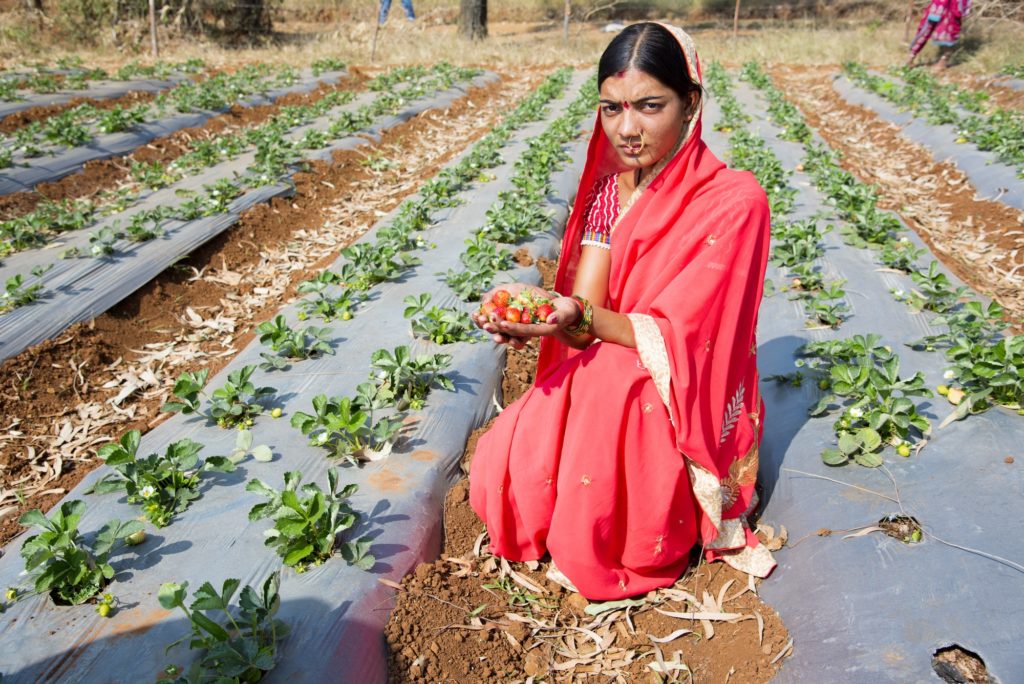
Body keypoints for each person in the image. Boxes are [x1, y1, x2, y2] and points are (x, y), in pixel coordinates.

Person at [469, 22, 776, 601]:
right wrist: (538, 315)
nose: (627, 128)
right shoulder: (612, 193)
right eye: (611, 109)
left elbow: (686, 339)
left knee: (613, 386)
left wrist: (576, 319)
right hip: (612, 352)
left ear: (691, 103)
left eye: (648, 106)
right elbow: (587, 317)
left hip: (682, 384)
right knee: (506, 454)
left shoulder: (737, 201)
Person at [907, 0, 972, 69]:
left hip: (952, 8)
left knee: (947, 36)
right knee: (925, 31)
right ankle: (911, 57)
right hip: (936, 7)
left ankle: (943, 61)